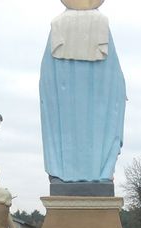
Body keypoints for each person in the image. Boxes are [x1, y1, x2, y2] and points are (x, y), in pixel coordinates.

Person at [40, 0, 126, 183]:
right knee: (100, 125)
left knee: (63, 124)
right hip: (98, 101)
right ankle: (99, 171)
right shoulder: (100, 22)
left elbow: (47, 77)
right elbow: (114, 78)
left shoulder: (58, 24)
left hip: (63, 98)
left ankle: (60, 171)